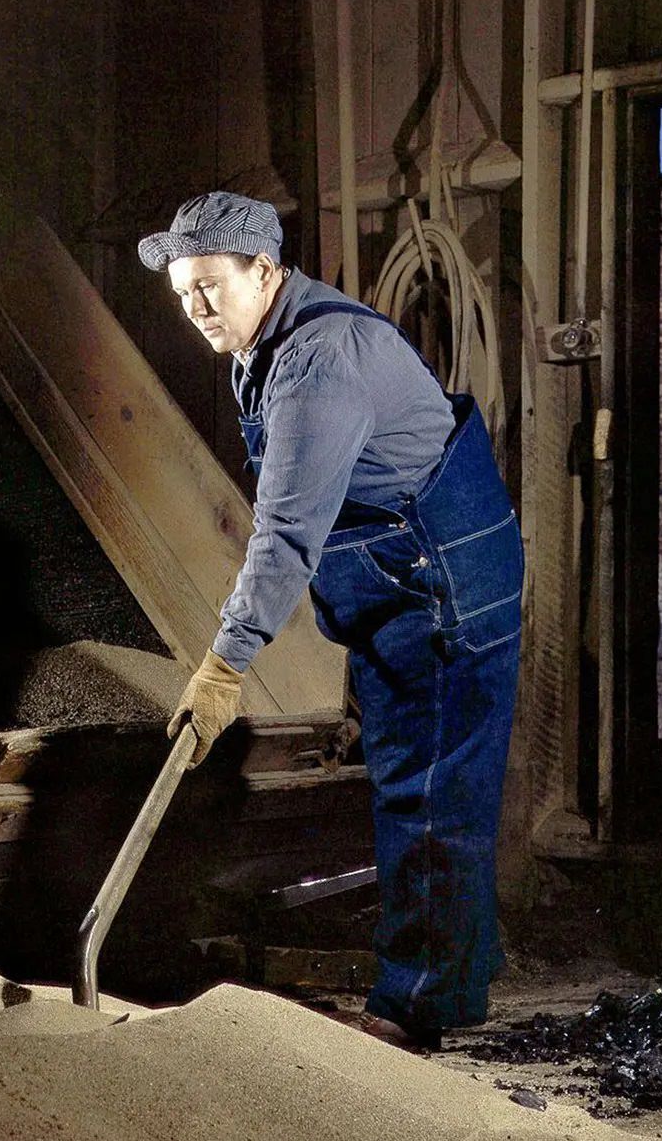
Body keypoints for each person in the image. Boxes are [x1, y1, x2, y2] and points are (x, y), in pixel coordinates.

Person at [138, 191, 522, 1050]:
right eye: (182, 291)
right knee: (408, 781)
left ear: (266, 272)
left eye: (210, 287)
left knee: (429, 793)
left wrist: (225, 665)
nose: (195, 308)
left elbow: (285, 536)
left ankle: (418, 1008)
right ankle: (458, 968)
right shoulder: (262, 344)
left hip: (444, 586)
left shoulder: (317, 363)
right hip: (396, 584)